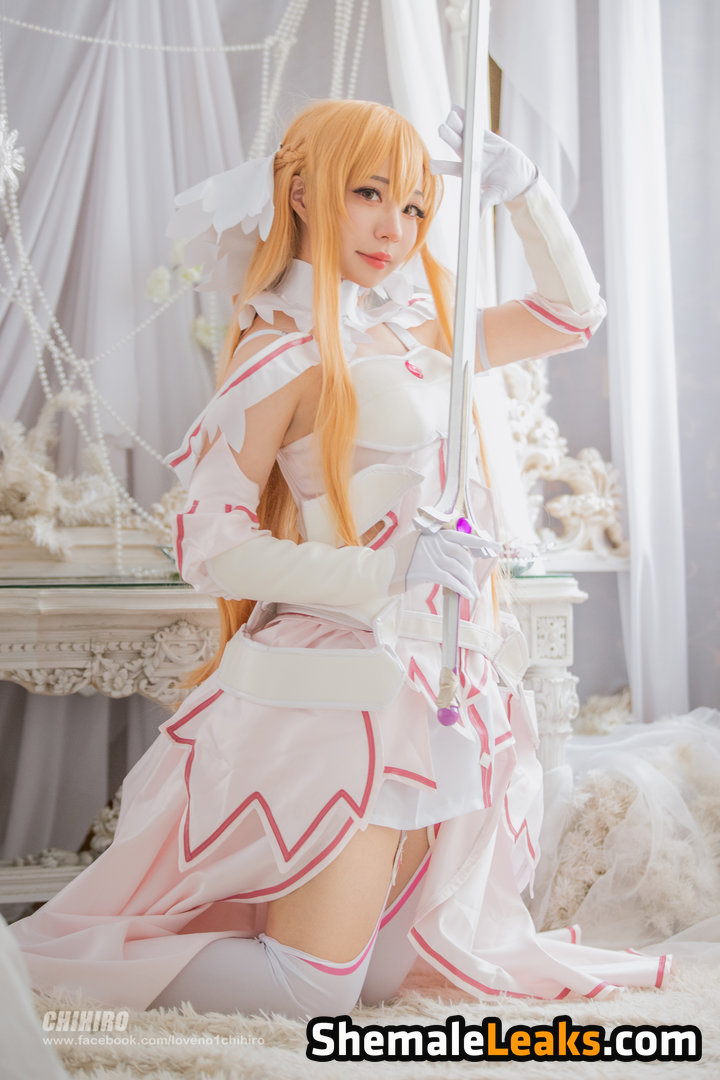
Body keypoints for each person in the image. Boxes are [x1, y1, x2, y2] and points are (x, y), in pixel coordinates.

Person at [10, 100, 668, 1017]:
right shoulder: (282, 349)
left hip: (446, 677)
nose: (393, 228)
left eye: (414, 206)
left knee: (391, 978)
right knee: (311, 991)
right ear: (302, 193)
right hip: (346, 688)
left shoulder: (425, 326)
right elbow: (207, 540)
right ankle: (30, 975)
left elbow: (572, 315)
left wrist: (526, 194)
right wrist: (383, 575)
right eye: (369, 194)